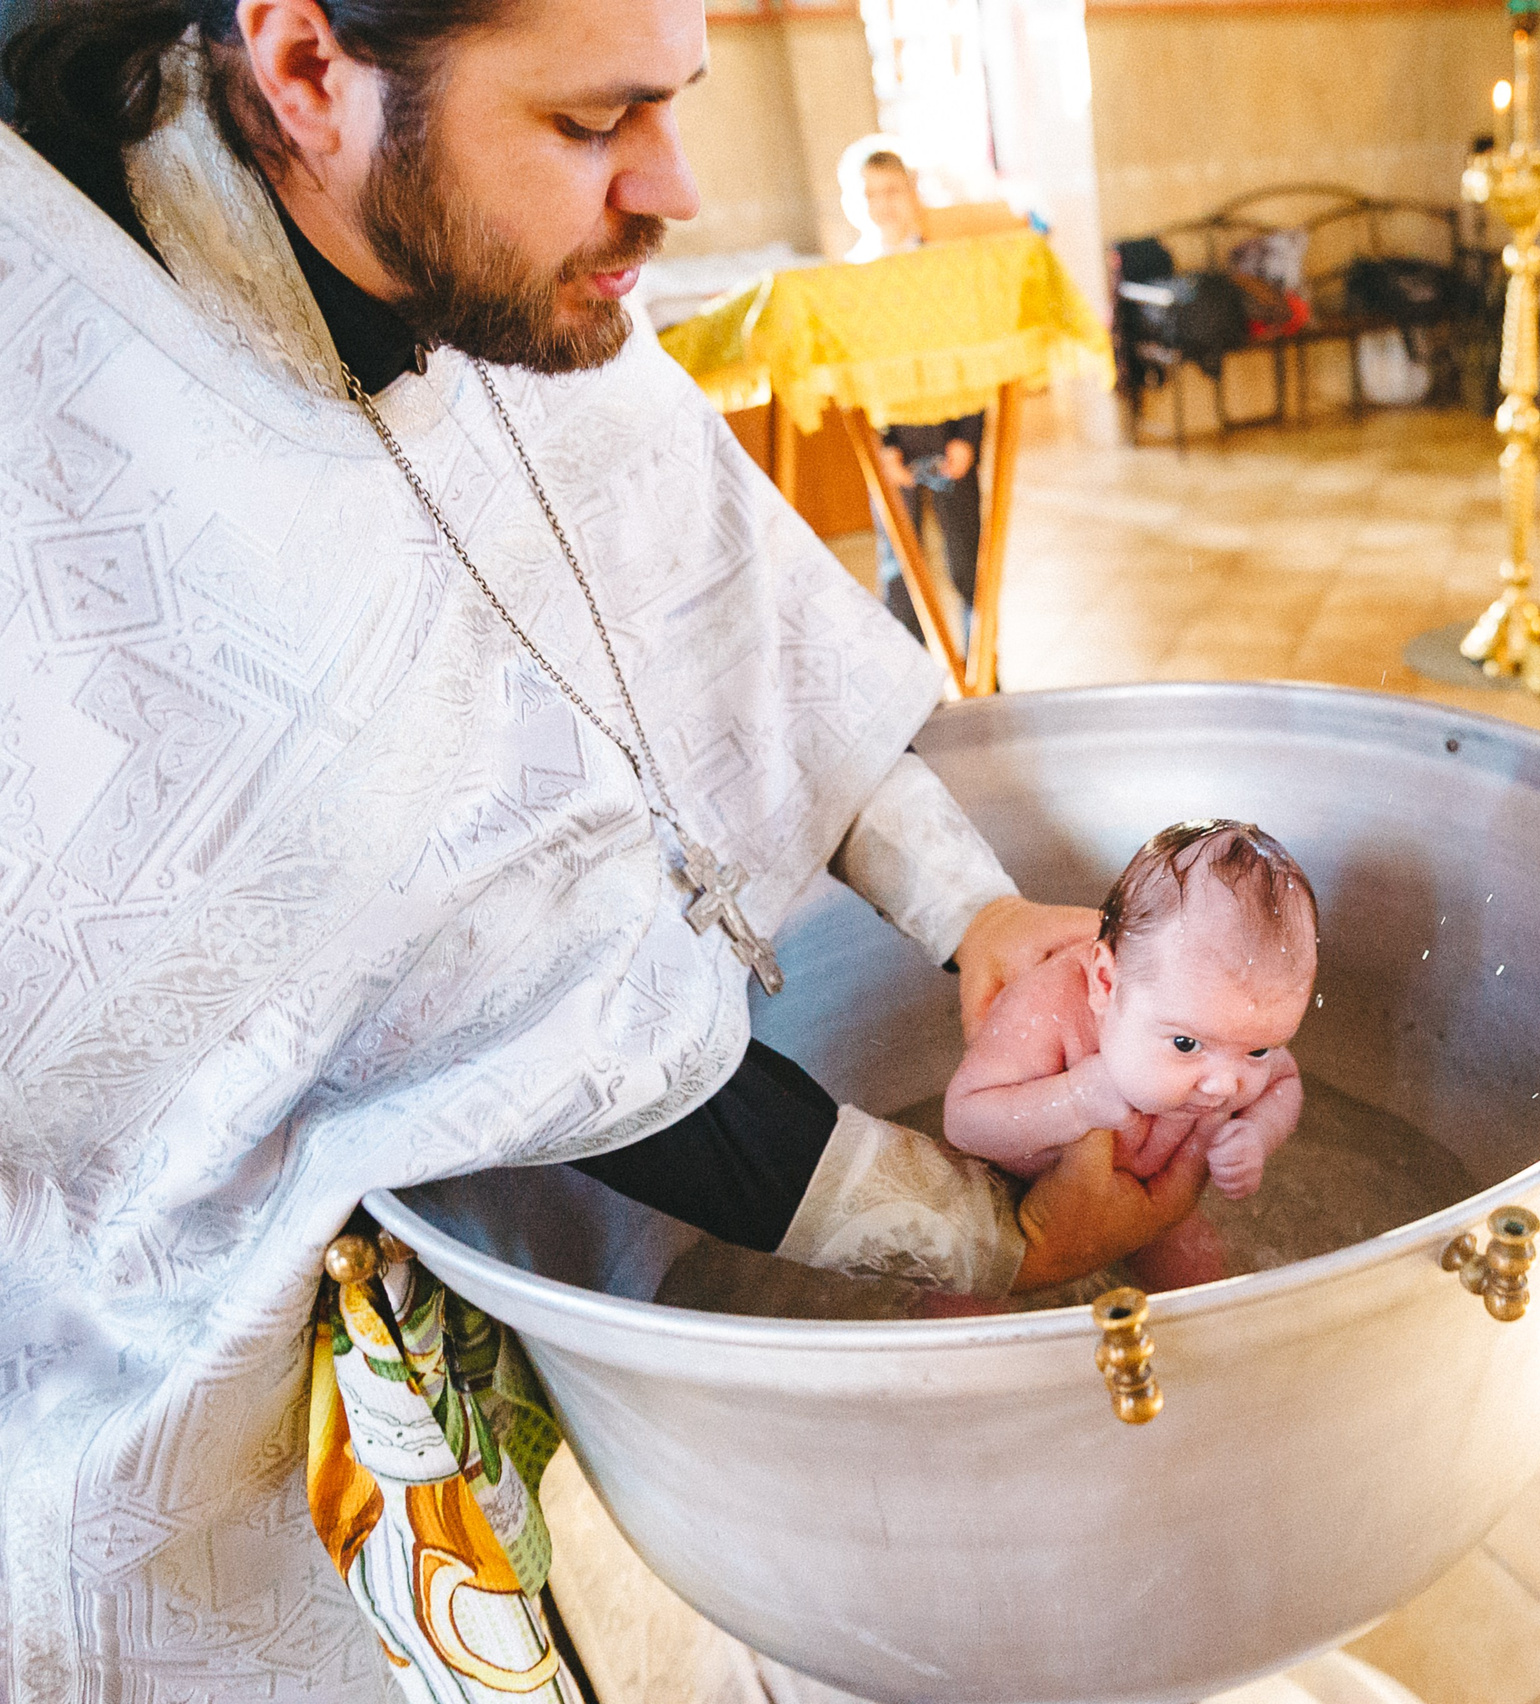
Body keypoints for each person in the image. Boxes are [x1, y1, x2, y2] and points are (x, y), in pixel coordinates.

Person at [0, 1, 1202, 1697]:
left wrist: (976, 909)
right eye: (593, 122)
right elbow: (498, 985)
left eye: (679, 98)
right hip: (169, 1369)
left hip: (475, 1238)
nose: (677, 186)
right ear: (305, 70)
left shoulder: (508, 260)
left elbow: (721, 612)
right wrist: (996, 1238)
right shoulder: (65, 412)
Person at [945, 820, 1318, 1289]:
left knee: (1198, 1274)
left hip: (1148, 1199)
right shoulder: (1048, 1009)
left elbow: (1285, 1082)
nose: (1225, 1086)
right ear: (1105, 982)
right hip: (1001, 1201)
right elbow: (963, 1119)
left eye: (1259, 1049)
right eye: (1186, 1044)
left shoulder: (1219, 1030)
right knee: (959, 1292)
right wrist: (1073, 1099)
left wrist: (1258, 1136)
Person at [851, 146, 987, 652]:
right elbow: (854, 375)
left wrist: (967, 437)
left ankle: (982, 683)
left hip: (950, 436)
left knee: (969, 562)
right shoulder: (851, 280)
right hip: (891, 445)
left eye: (891, 191)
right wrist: (880, 446)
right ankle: (918, 703)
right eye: (870, 194)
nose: (882, 204)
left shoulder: (942, 270)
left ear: (911, 194)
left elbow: (972, 356)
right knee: (899, 573)